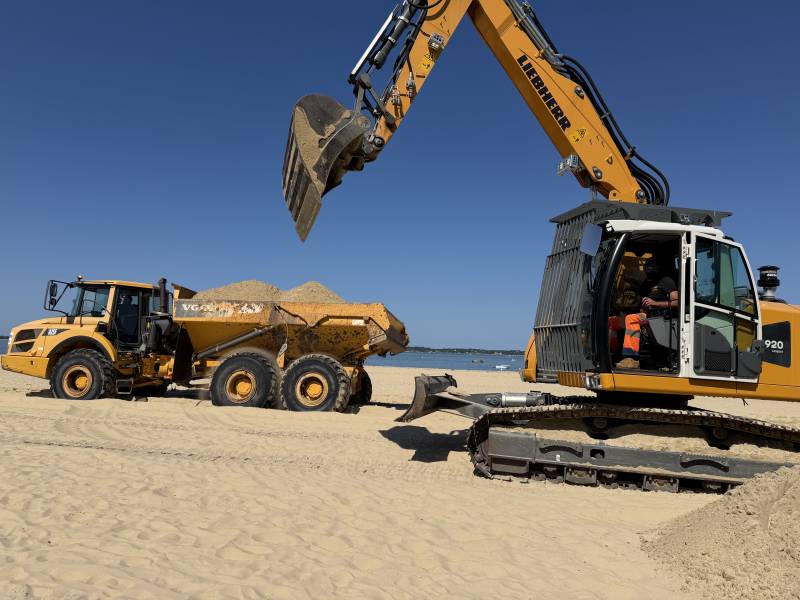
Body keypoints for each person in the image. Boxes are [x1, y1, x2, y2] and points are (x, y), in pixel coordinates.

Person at [616, 258, 678, 369]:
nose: (649, 270)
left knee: (631, 319)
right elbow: (640, 302)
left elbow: (676, 302)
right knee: (612, 321)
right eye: (647, 268)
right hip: (647, 314)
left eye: (652, 267)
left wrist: (655, 303)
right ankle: (611, 354)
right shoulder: (645, 284)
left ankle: (631, 358)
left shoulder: (667, 281)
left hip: (660, 316)